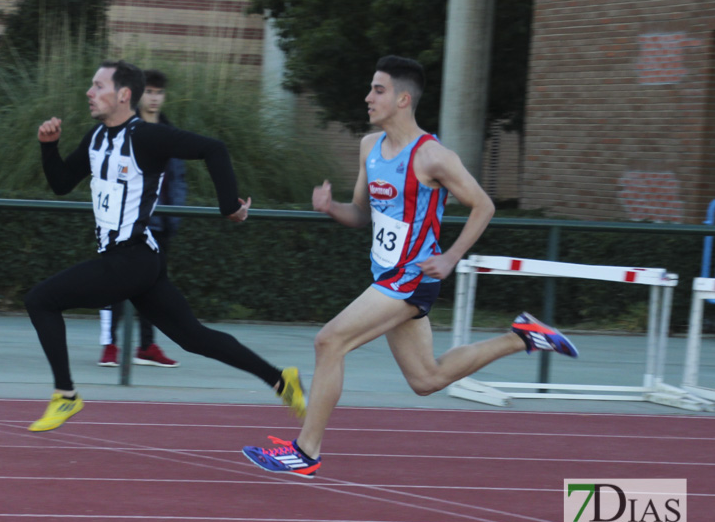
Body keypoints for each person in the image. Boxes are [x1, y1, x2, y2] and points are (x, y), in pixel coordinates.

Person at [241, 56, 578, 478]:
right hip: (386, 276)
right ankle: (521, 336)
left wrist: (452, 256)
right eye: (370, 89)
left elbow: (483, 205)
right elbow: (362, 214)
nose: (368, 97)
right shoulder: (370, 147)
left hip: (412, 278)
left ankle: (306, 451)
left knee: (329, 342)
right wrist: (331, 209)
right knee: (426, 379)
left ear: (403, 99)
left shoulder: (434, 157)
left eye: (377, 90)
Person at [27, 59, 306, 432]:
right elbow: (61, 183)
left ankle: (65, 395)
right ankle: (280, 380)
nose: (89, 93)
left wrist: (229, 208)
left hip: (131, 260)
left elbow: (214, 149)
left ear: (123, 95)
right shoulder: (95, 138)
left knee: (40, 299)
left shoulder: (146, 137)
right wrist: (49, 147)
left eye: (98, 86)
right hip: (138, 262)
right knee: (193, 337)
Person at [98, 69, 186, 369]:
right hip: (126, 223)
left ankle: (147, 346)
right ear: (138, 95)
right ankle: (109, 345)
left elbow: (177, 181)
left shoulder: (169, 132)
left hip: (160, 224)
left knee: (153, 287)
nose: (154, 98)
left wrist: (173, 218)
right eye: (149, 91)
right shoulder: (126, 129)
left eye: (159, 92)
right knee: (117, 285)